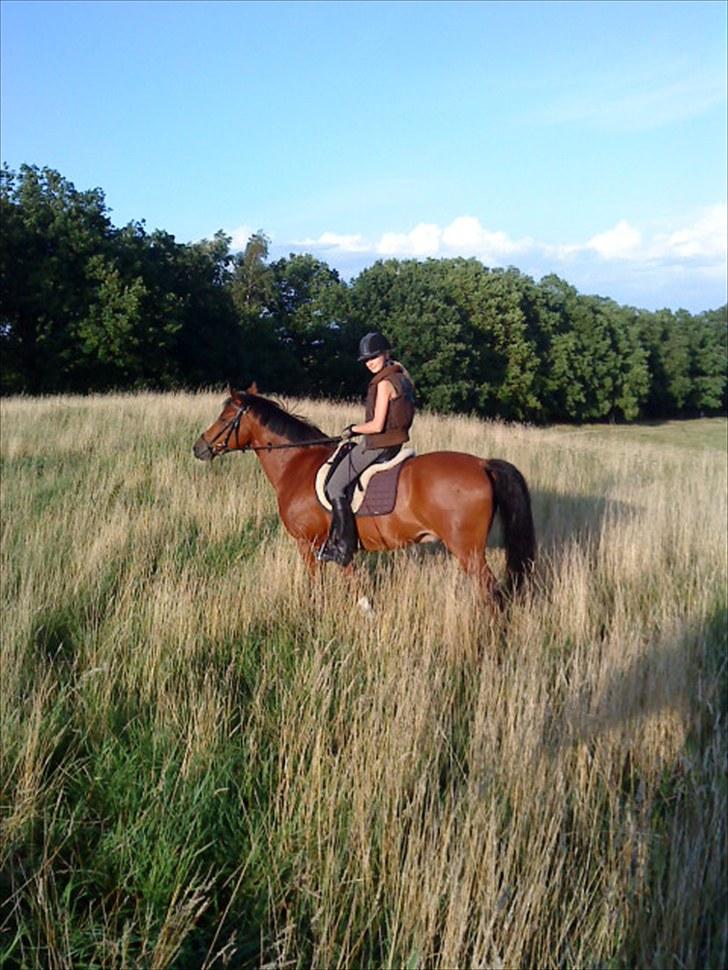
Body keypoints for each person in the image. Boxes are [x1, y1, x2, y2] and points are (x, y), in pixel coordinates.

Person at [318, 332, 415, 565]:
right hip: (396, 443)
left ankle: (343, 547)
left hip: (378, 445)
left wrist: (353, 429)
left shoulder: (384, 384)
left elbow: (377, 425)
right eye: (366, 360)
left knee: (334, 485)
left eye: (374, 357)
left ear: (386, 354)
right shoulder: (403, 379)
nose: (369, 362)